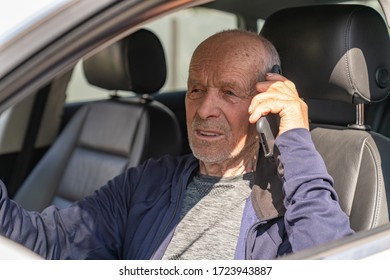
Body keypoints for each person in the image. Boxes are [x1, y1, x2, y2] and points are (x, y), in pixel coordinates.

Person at [0, 29, 353, 260]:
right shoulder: (150, 182)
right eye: (196, 89)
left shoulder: (289, 192)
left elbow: (333, 262)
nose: (203, 110)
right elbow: (49, 241)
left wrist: (293, 136)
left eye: (228, 92)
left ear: (266, 102)